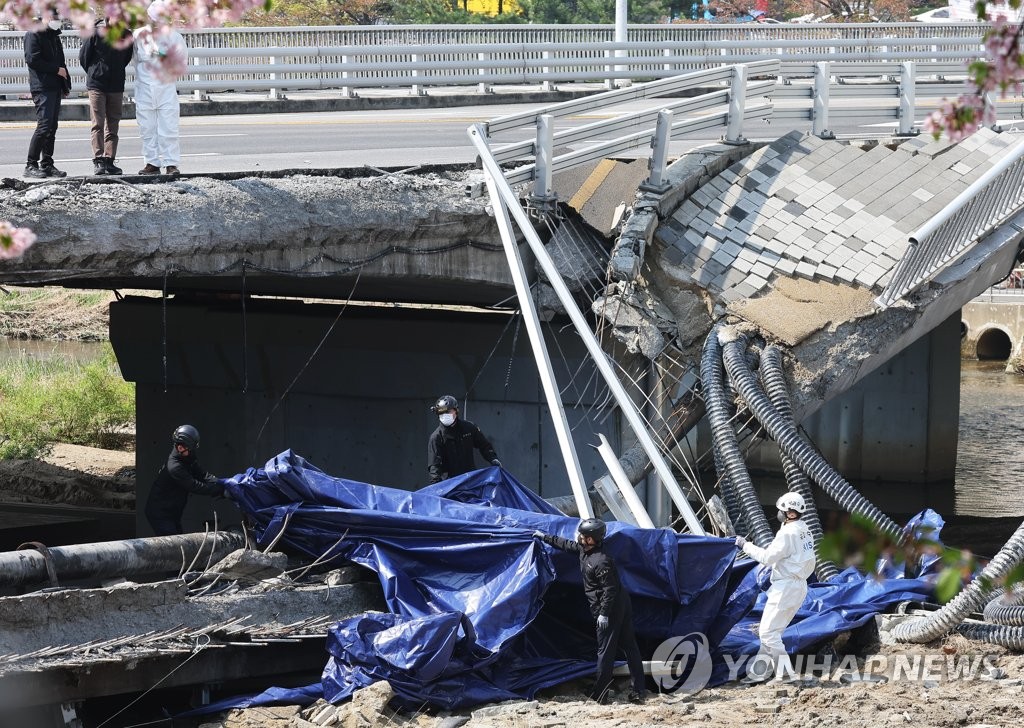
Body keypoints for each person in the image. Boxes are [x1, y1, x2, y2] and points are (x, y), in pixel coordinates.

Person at [533, 518, 646, 704]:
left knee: (606, 651)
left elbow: (609, 590)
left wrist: (604, 613)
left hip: (613, 607)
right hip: (617, 602)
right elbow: (566, 544)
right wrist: (545, 537)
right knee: (629, 646)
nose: (580, 538)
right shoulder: (584, 550)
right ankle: (639, 691)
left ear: (593, 539)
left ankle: (601, 694)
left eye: (584, 536)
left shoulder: (601, 561)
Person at [734, 492, 816, 683]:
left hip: (786, 588)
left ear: (791, 513)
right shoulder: (804, 529)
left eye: (782, 510)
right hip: (798, 586)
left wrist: (744, 545)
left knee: (768, 633)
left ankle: (786, 674)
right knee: (773, 632)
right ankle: (758, 674)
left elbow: (767, 558)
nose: (779, 513)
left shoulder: (787, 533)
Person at [145, 424, 227, 536]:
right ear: (180, 447)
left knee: (180, 541)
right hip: (161, 513)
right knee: (173, 547)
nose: (193, 451)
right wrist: (218, 490)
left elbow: (202, 474)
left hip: (173, 511)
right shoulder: (174, 467)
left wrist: (220, 482)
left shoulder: (187, 456)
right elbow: (195, 486)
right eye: (190, 449)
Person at [134, 1, 186, 176]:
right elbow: (131, 60)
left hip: (166, 89)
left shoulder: (175, 37)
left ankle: (171, 164)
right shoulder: (138, 36)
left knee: (168, 128)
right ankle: (152, 163)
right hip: (144, 89)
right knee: (147, 128)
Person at [79, 18, 134, 175]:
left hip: (116, 85)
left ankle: (110, 160)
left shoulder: (127, 35)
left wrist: (115, 71)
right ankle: (98, 160)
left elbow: (126, 58)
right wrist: (96, 72)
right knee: (97, 122)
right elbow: (84, 58)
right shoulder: (96, 33)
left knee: (113, 124)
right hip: (97, 84)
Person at [23, 12, 71, 179]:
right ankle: (30, 164)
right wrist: (56, 70)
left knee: (52, 127)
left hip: (55, 86)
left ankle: (47, 164)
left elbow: (61, 62)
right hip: (42, 86)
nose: (57, 21)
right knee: (44, 125)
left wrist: (65, 84)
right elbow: (32, 59)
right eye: (53, 17)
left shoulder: (53, 36)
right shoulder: (33, 34)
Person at [427, 394, 500, 484]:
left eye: (448, 412)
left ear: (456, 411)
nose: (445, 415)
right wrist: (437, 488)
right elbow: (434, 467)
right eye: (441, 413)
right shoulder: (436, 437)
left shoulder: (469, 428)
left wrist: (493, 458)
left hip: (471, 480)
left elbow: (484, 445)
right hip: (450, 484)